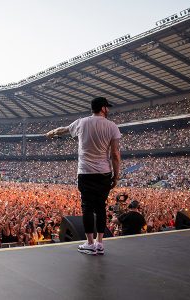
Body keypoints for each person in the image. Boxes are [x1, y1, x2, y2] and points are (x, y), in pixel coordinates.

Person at [46, 96, 121, 255]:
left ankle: (89, 243)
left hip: (86, 172)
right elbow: (115, 154)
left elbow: (63, 130)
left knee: (87, 207)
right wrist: (116, 176)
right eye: (107, 107)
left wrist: (51, 133)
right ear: (102, 108)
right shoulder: (112, 126)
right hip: (104, 172)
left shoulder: (81, 122)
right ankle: (100, 244)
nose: (108, 110)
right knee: (101, 207)